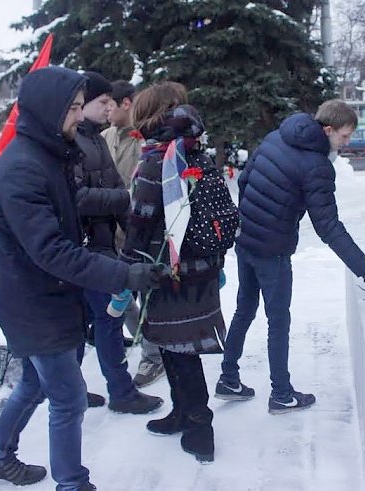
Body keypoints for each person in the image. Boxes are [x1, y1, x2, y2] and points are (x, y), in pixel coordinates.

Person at [0, 66, 162, 491]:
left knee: (35, 384)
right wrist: (124, 274)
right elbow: (50, 250)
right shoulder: (22, 168)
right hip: (34, 301)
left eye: (81, 107)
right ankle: (72, 483)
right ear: (49, 109)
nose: (81, 117)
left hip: (51, 295)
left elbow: (74, 208)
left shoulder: (49, 155)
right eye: (74, 108)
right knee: (68, 398)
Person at [214, 99, 365, 414]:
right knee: (278, 319)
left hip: (247, 242)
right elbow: (328, 227)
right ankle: (281, 394)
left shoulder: (275, 137)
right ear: (327, 129)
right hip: (273, 252)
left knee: (244, 309)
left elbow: (244, 181)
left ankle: (229, 378)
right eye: (344, 136)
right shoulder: (316, 166)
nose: (347, 143)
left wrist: (251, 221)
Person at [122, 83, 234, 463]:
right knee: (172, 348)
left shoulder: (158, 160)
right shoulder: (191, 149)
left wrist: (125, 269)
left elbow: (141, 221)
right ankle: (182, 412)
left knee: (181, 352)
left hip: (172, 275)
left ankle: (200, 427)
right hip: (198, 268)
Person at [73, 71, 163, 414]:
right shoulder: (78, 142)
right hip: (87, 249)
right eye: (102, 102)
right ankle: (116, 393)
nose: (108, 108)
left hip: (106, 244)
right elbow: (79, 196)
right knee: (102, 321)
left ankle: (102, 390)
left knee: (104, 320)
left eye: (110, 102)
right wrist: (120, 199)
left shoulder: (95, 139)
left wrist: (132, 239)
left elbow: (114, 191)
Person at [101, 79, 166, 388]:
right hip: (111, 233)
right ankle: (144, 339)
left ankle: (153, 357)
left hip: (141, 231)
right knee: (121, 295)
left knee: (146, 292)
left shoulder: (145, 143)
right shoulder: (104, 137)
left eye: (109, 105)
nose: (105, 111)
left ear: (126, 104)